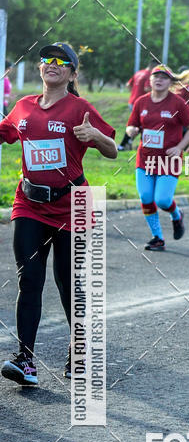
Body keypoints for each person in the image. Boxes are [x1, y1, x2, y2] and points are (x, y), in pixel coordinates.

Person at [0, 42, 116, 386]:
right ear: (39, 68)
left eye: (61, 61)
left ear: (72, 73)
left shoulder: (80, 108)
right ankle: (25, 361)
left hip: (74, 205)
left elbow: (111, 148)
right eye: (46, 59)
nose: (52, 64)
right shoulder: (22, 107)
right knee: (30, 279)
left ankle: (79, 351)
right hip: (29, 204)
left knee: (69, 283)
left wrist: (94, 135)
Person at [126, 64, 189, 251]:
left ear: (170, 82)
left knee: (163, 200)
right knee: (146, 197)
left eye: (164, 77)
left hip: (169, 159)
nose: (159, 80)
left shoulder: (177, 103)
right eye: (155, 76)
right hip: (145, 159)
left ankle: (177, 215)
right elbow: (131, 125)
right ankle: (157, 237)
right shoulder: (141, 102)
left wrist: (180, 147)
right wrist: (132, 131)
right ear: (150, 80)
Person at [117, 58, 159, 151]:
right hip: (141, 104)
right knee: (140, 125)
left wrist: (134, 93)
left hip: (132, 101)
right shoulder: (149, 75)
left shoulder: (139, 72)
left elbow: (128, 85)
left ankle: (128, 144)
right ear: (154, 66)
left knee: (138, 124)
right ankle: (123, 145)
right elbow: (147, 88)